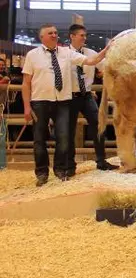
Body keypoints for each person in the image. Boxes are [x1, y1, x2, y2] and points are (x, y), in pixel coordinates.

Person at [22, 24, 108, 186]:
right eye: (50, 33)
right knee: (39, 139)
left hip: (62, 101)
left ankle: (60, 170)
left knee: (63, 138)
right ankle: (42, 172)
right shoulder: (32, 55)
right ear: (42, 37)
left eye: (55, 32)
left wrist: (106, 50)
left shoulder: (67, 53)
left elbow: (92, 60)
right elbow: (26, 83)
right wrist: (27, 106)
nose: (54, 35)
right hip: (40, 101)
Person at [67, 24, 118, 172]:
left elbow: (104, 66)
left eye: (85, 35)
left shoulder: (90, 51)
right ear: (72, 36)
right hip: (70, 97)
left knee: (99, 126)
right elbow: (94, 61)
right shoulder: (65, 54)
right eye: (81, 35)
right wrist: (107, 49)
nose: (84, 38)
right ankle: (70, 165)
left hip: (87, 95)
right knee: (69, 131)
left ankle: (101, 161)